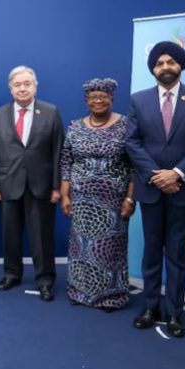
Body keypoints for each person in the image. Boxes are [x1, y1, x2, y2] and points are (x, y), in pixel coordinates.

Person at [126, 41, 185, 338]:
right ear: (153, 69)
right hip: (150, 189)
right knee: (151, 250)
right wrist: (157, 176)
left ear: (180, 65)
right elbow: (132, 142)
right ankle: (150, 308)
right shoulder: (138, 100)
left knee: (177, 253)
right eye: (159, 63)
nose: (165, 67)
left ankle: (174, 313)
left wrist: (177, 173)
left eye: (171, 62)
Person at [0, 65, 63, 302]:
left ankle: (45, 280)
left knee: (42, 237)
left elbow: (58, 152)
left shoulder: (50, 112)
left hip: (41, 186)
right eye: (17, 84)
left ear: (35, 86)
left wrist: (57, 186)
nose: (22, 88)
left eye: (27, 84)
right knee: (10, 235)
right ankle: (12, 274)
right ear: (11, 88)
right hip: (9, 184)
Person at [60, 78, 134, 311]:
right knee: (81, 247)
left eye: (103, 97)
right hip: (81, 199)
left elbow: (135, 165)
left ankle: (111, 296)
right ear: (86, 101)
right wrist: (65, 194)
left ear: (111, 99)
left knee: (110, 248)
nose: (98, 101)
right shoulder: (75, 126)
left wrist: (130, 198)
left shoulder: (126, 125)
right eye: (93, 97)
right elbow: (66, 161)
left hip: (113, 201)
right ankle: (80, 292)